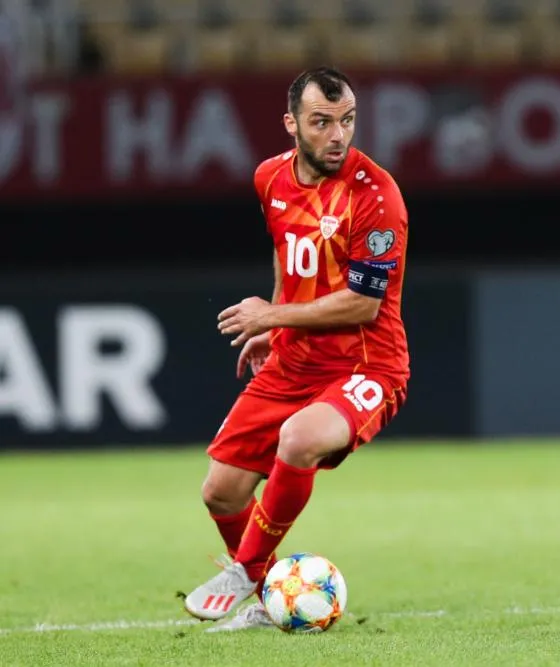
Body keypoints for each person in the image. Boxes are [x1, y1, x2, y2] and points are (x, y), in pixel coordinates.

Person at [182, 67, 410, 629]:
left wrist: (271, 314)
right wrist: (275, 328)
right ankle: (269, 600)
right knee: (221, 491)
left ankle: (245, 570)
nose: (338, 135)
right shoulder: (269, 178)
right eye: (322, 122)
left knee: (301, 437)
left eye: (347, 121)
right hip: (294, 359)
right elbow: (290, 257)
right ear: (291, 123)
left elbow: (363, 304)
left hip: (365, 365)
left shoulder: (375, 195)